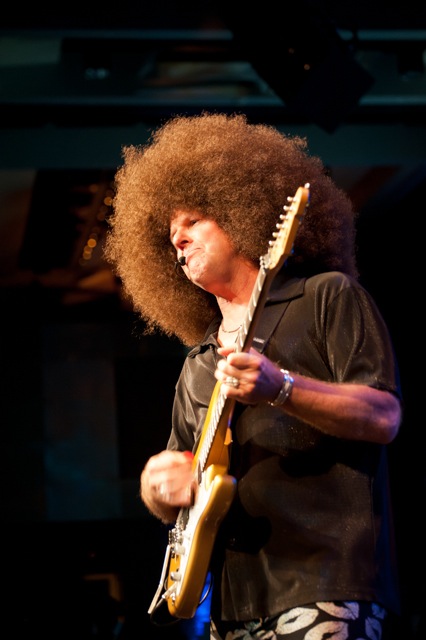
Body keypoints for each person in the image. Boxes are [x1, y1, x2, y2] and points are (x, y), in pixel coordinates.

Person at [104, 112, 403, 640]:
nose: (178, 242)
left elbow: (384, 416)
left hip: (326, 581)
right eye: (171, 237)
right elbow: (181, 482)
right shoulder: (198, 364)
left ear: (239, 213)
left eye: (193, 222)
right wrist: (158, 487)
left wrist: (281, 388)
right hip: (230, 604)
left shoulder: (326, 296)